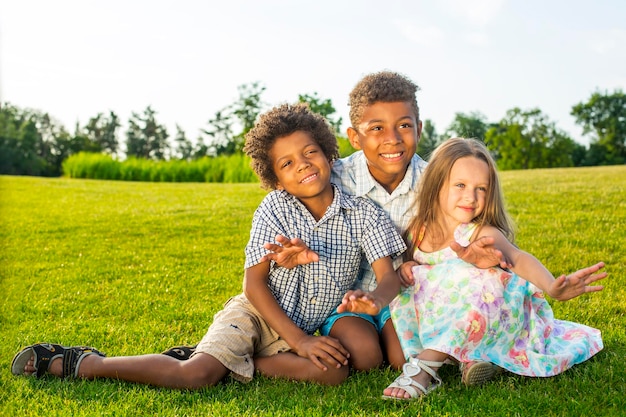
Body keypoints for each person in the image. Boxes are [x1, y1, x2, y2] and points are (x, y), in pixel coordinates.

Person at [11, 103, 408, 389]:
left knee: (334, 373)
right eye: (286, 163)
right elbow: (253, 287)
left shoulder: (362, 213)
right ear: (274, 176)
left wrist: (373, 299)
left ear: (327, 152)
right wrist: (301, 341)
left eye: (309, 152)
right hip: (259, 315)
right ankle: (85, 363)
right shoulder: (274, 209)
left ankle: (227, 362)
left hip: (304, 328)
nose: (302, 164)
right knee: (196, 377)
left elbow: (387, 278)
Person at [261, 71, 507, 384]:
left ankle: (476, 349)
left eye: (404, 125)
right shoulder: (330, 178)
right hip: (345, 298)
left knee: (401, 358)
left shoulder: (436, 182)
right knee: (364, 356)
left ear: (419, 129)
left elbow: (472, 224)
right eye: (377, 128)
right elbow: (287, 198)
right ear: (354, 137)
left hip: (407, 295)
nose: (392, 138)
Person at [338, 137, 607, 400]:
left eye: (481, 188)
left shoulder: (481, 232)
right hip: (447, 320)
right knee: (419, 277)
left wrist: (551, 286)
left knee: (487, 278)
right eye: (460, 185)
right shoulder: (418, 232)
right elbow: (411, 277)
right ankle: (477, 356)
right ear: (436, 186)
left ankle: (425, 369)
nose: (471, 196)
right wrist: (404, 270)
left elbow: (518, 258)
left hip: (498, 318)